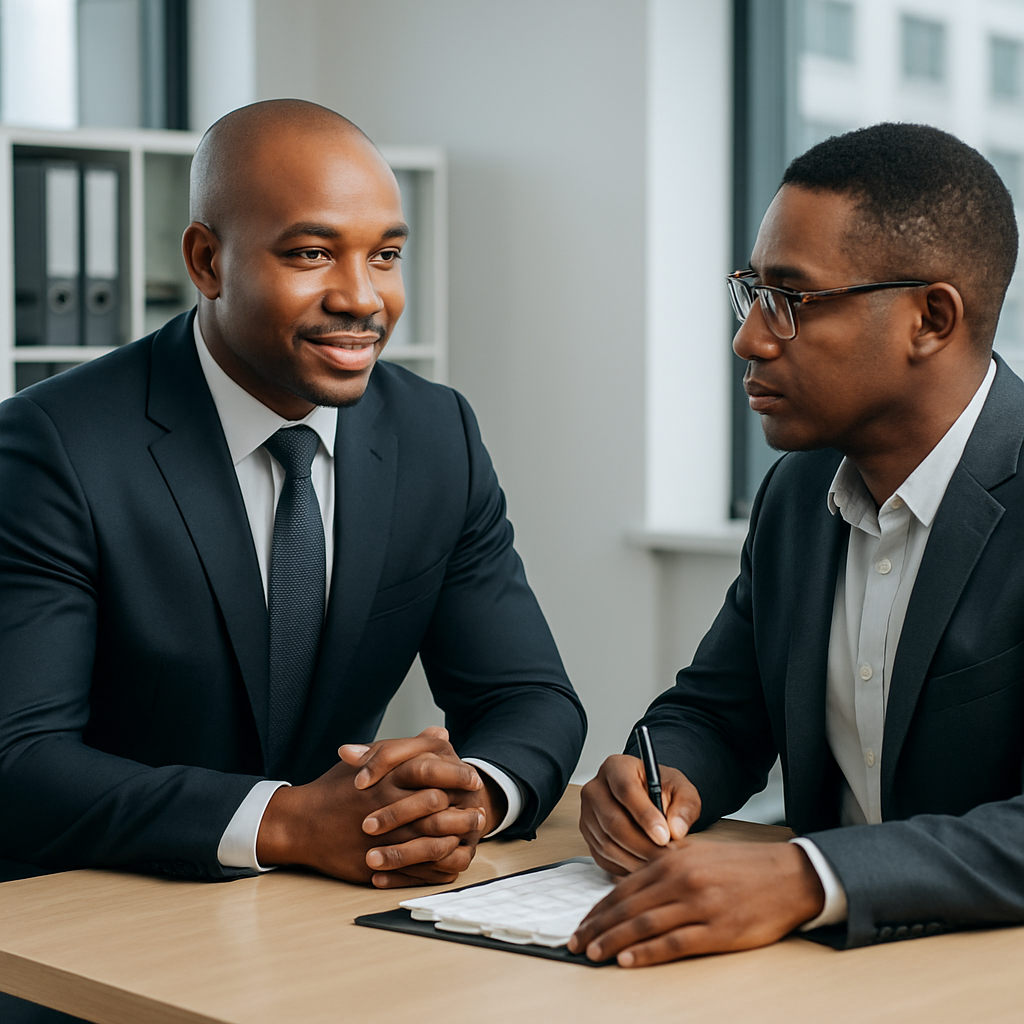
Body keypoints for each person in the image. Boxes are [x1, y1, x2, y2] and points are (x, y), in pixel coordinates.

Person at [0, 100, 585, 1017]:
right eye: (312, 254)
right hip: (90, 940)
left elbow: (529, 697)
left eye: (384, 255)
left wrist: (467, 796)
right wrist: (287, 821)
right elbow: (22, 760)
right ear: (207, 261)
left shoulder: (436, 432)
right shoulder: (52, 445)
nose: (363, 297)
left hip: (330, 933)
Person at [570, 122, 1024, 967]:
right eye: (751, 292)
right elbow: (718, 712)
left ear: (931, 318)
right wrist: (656, 780)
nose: (749, 338)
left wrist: (811, 877)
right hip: (818, 973)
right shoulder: (797, 493)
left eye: (792, 299)